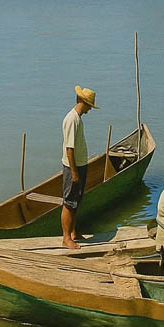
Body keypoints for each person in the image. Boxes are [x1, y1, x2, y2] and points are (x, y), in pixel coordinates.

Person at [60, 85, 97, 250]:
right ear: (83, 102)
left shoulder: (78, 118)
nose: (90, 109)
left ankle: (74, 232)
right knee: (69, 202)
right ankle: (66, 238)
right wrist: (74, 172)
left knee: (77, 201)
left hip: (80, 165)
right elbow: (69, 149)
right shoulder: (72, 119)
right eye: (89, 105)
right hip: (73, 167)